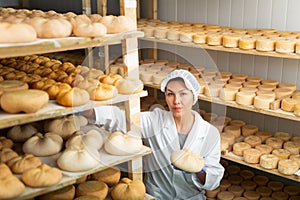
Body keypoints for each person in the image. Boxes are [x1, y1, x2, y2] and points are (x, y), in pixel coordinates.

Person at [85, 69, 224, 199]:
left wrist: (199, 171)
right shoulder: (155, 120)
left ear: (194, 95)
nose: (176, 101)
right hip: (157, 196)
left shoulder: (210, 133)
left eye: (183, 94)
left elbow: (213, 181)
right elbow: (121, 118)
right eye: (170, 94)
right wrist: (89, 111)